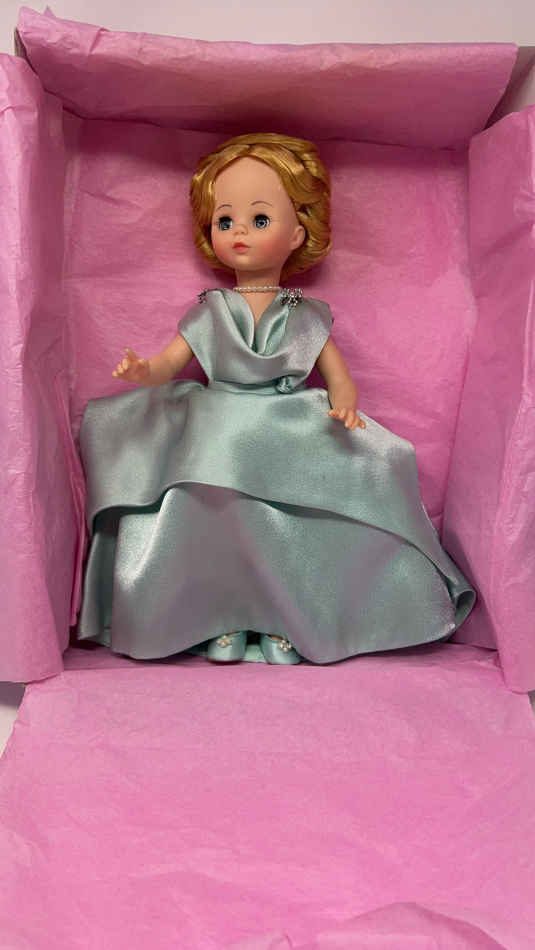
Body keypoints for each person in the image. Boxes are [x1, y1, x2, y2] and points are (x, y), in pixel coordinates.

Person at [76, 132, 476, 665]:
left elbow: (336, 375)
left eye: (260, 219)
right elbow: (169, 363)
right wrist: (142, 371)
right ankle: (219, 618)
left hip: (288, 424)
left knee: (290, 526)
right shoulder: (210, 310)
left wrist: (345, 402)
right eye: (225, 221)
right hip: (217, 428)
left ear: (298, 233)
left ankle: (283, 621)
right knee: (208, 522)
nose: (239, 231)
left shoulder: (304, 314)